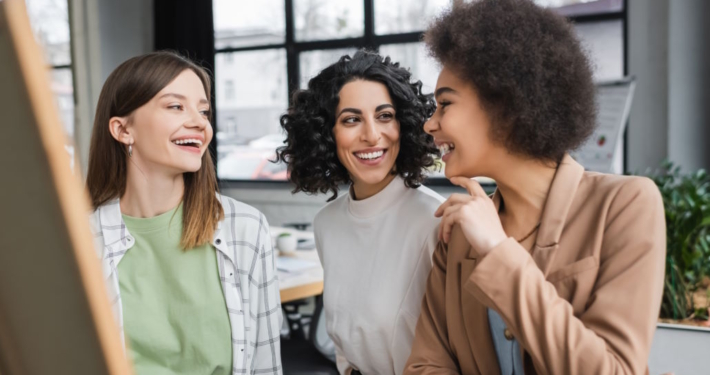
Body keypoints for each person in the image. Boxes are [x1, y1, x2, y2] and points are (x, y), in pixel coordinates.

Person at [404, 1, 666, 374]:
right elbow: (425, 365)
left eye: (444, 104)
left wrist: (497, 250)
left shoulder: (625, 205)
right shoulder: (458, 232)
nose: (431, 125)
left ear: (506, 105)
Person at [86, 51, 282, 375]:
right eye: (176, 106)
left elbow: (265, 365)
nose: (199, 122)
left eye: (203, 111)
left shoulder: (245, 228)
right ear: (123, 130)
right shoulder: (81, 240)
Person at [276, 50, 443, 375]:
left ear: (404, 124)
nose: (371, 135)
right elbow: (346, 345)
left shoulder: (434, 220)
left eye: (384, 116)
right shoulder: (327, 223)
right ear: (326, 134)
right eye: (351, 119)